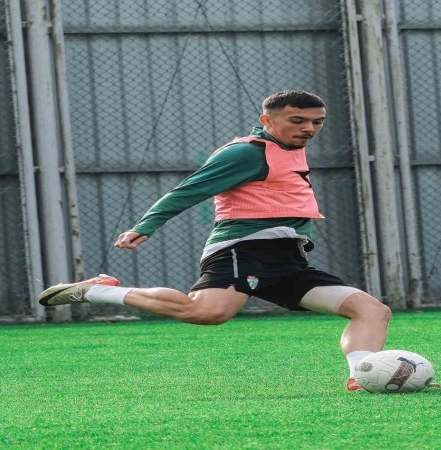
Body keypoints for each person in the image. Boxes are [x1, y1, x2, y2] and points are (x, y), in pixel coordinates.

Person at [37, 90, 392, 392]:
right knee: (206, 313)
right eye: (298, 121)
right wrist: (146, 225)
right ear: (266, 120)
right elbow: (188, 190)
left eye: (317, 122)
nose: (309, 129)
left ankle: (362, 377)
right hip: (244, 250)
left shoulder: (288, 147)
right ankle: (98, 290)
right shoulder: (246, 153)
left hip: (288, 259)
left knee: (372, 310)